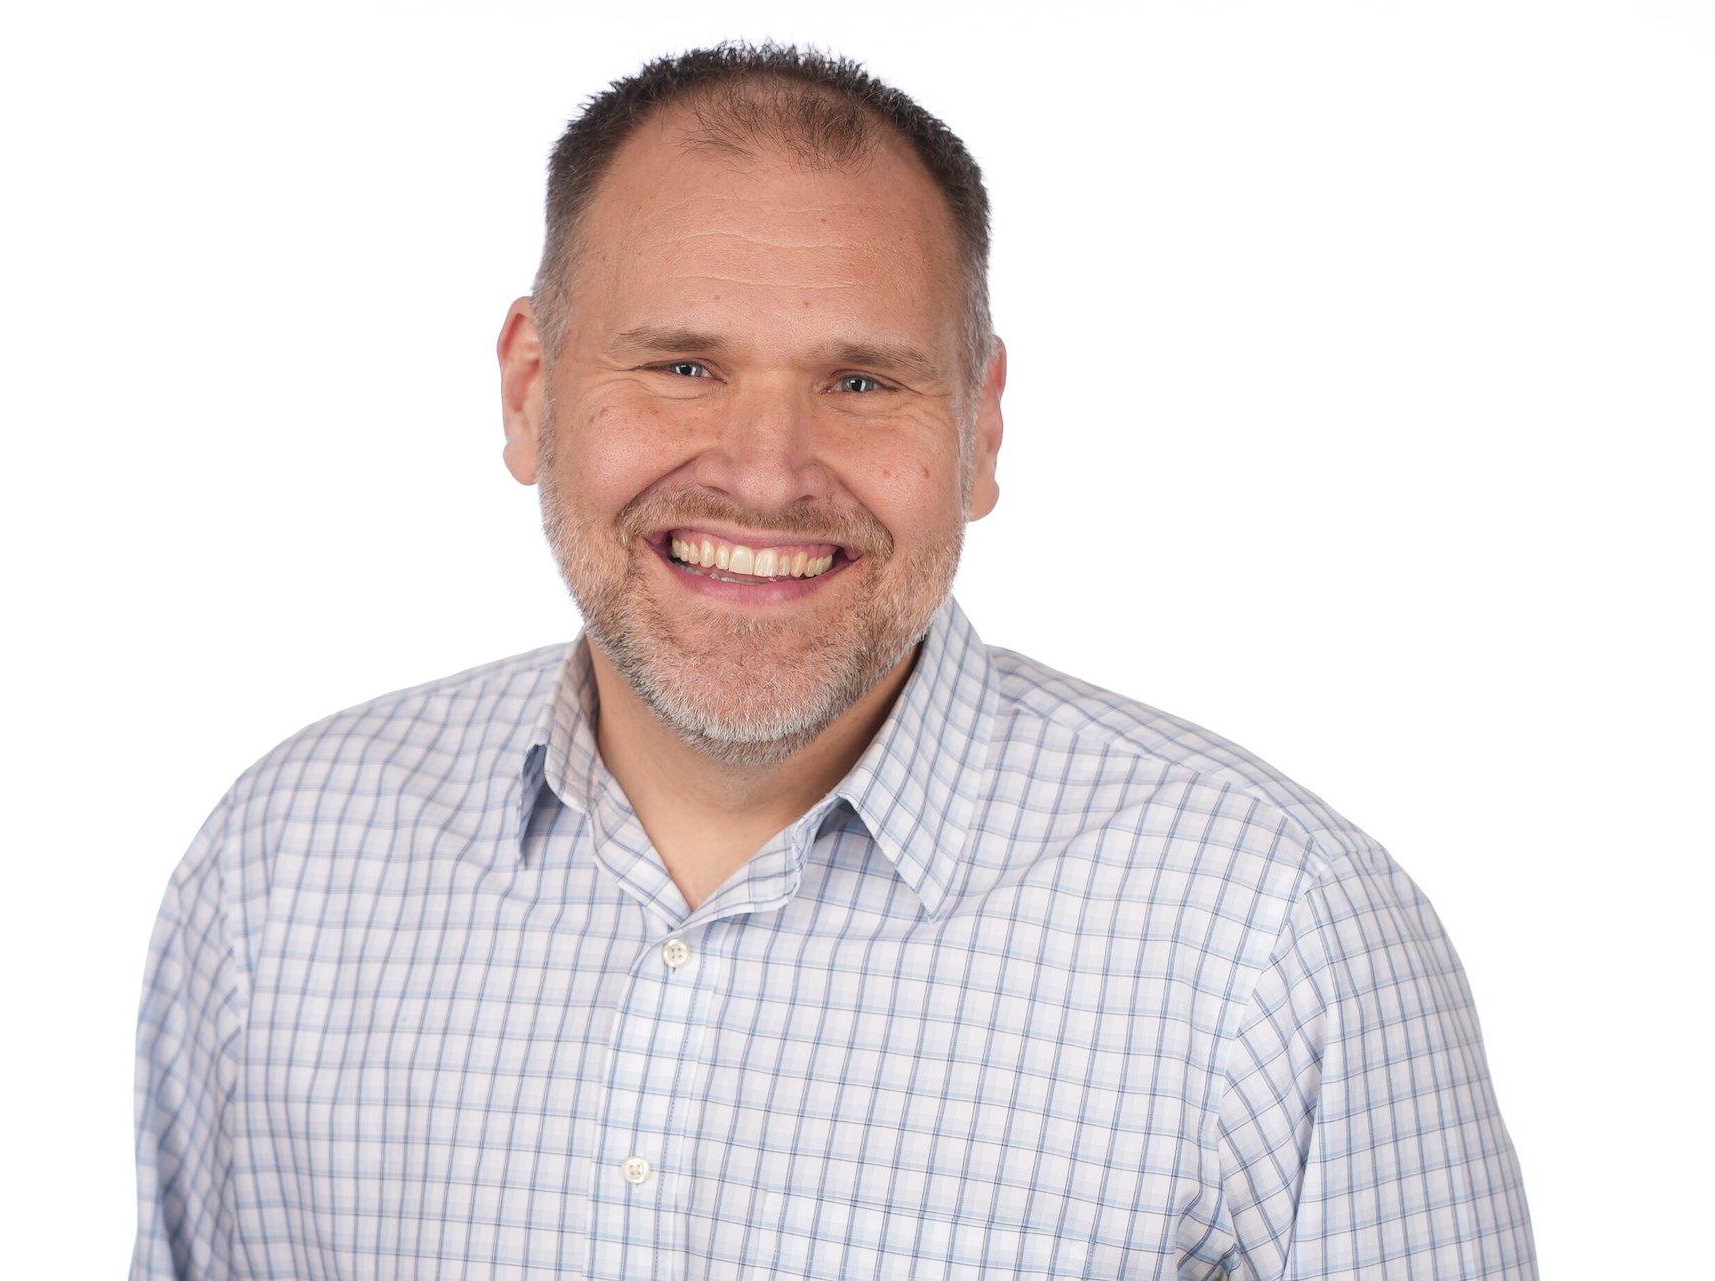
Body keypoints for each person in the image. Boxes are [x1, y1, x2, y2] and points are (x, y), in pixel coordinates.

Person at [131, 42, 1536, 1281]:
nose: (766, 470)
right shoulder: (284, 867)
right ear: (530, 390)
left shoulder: (1279, 942)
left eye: (861, 381)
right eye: (681, 365)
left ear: (982, 428)